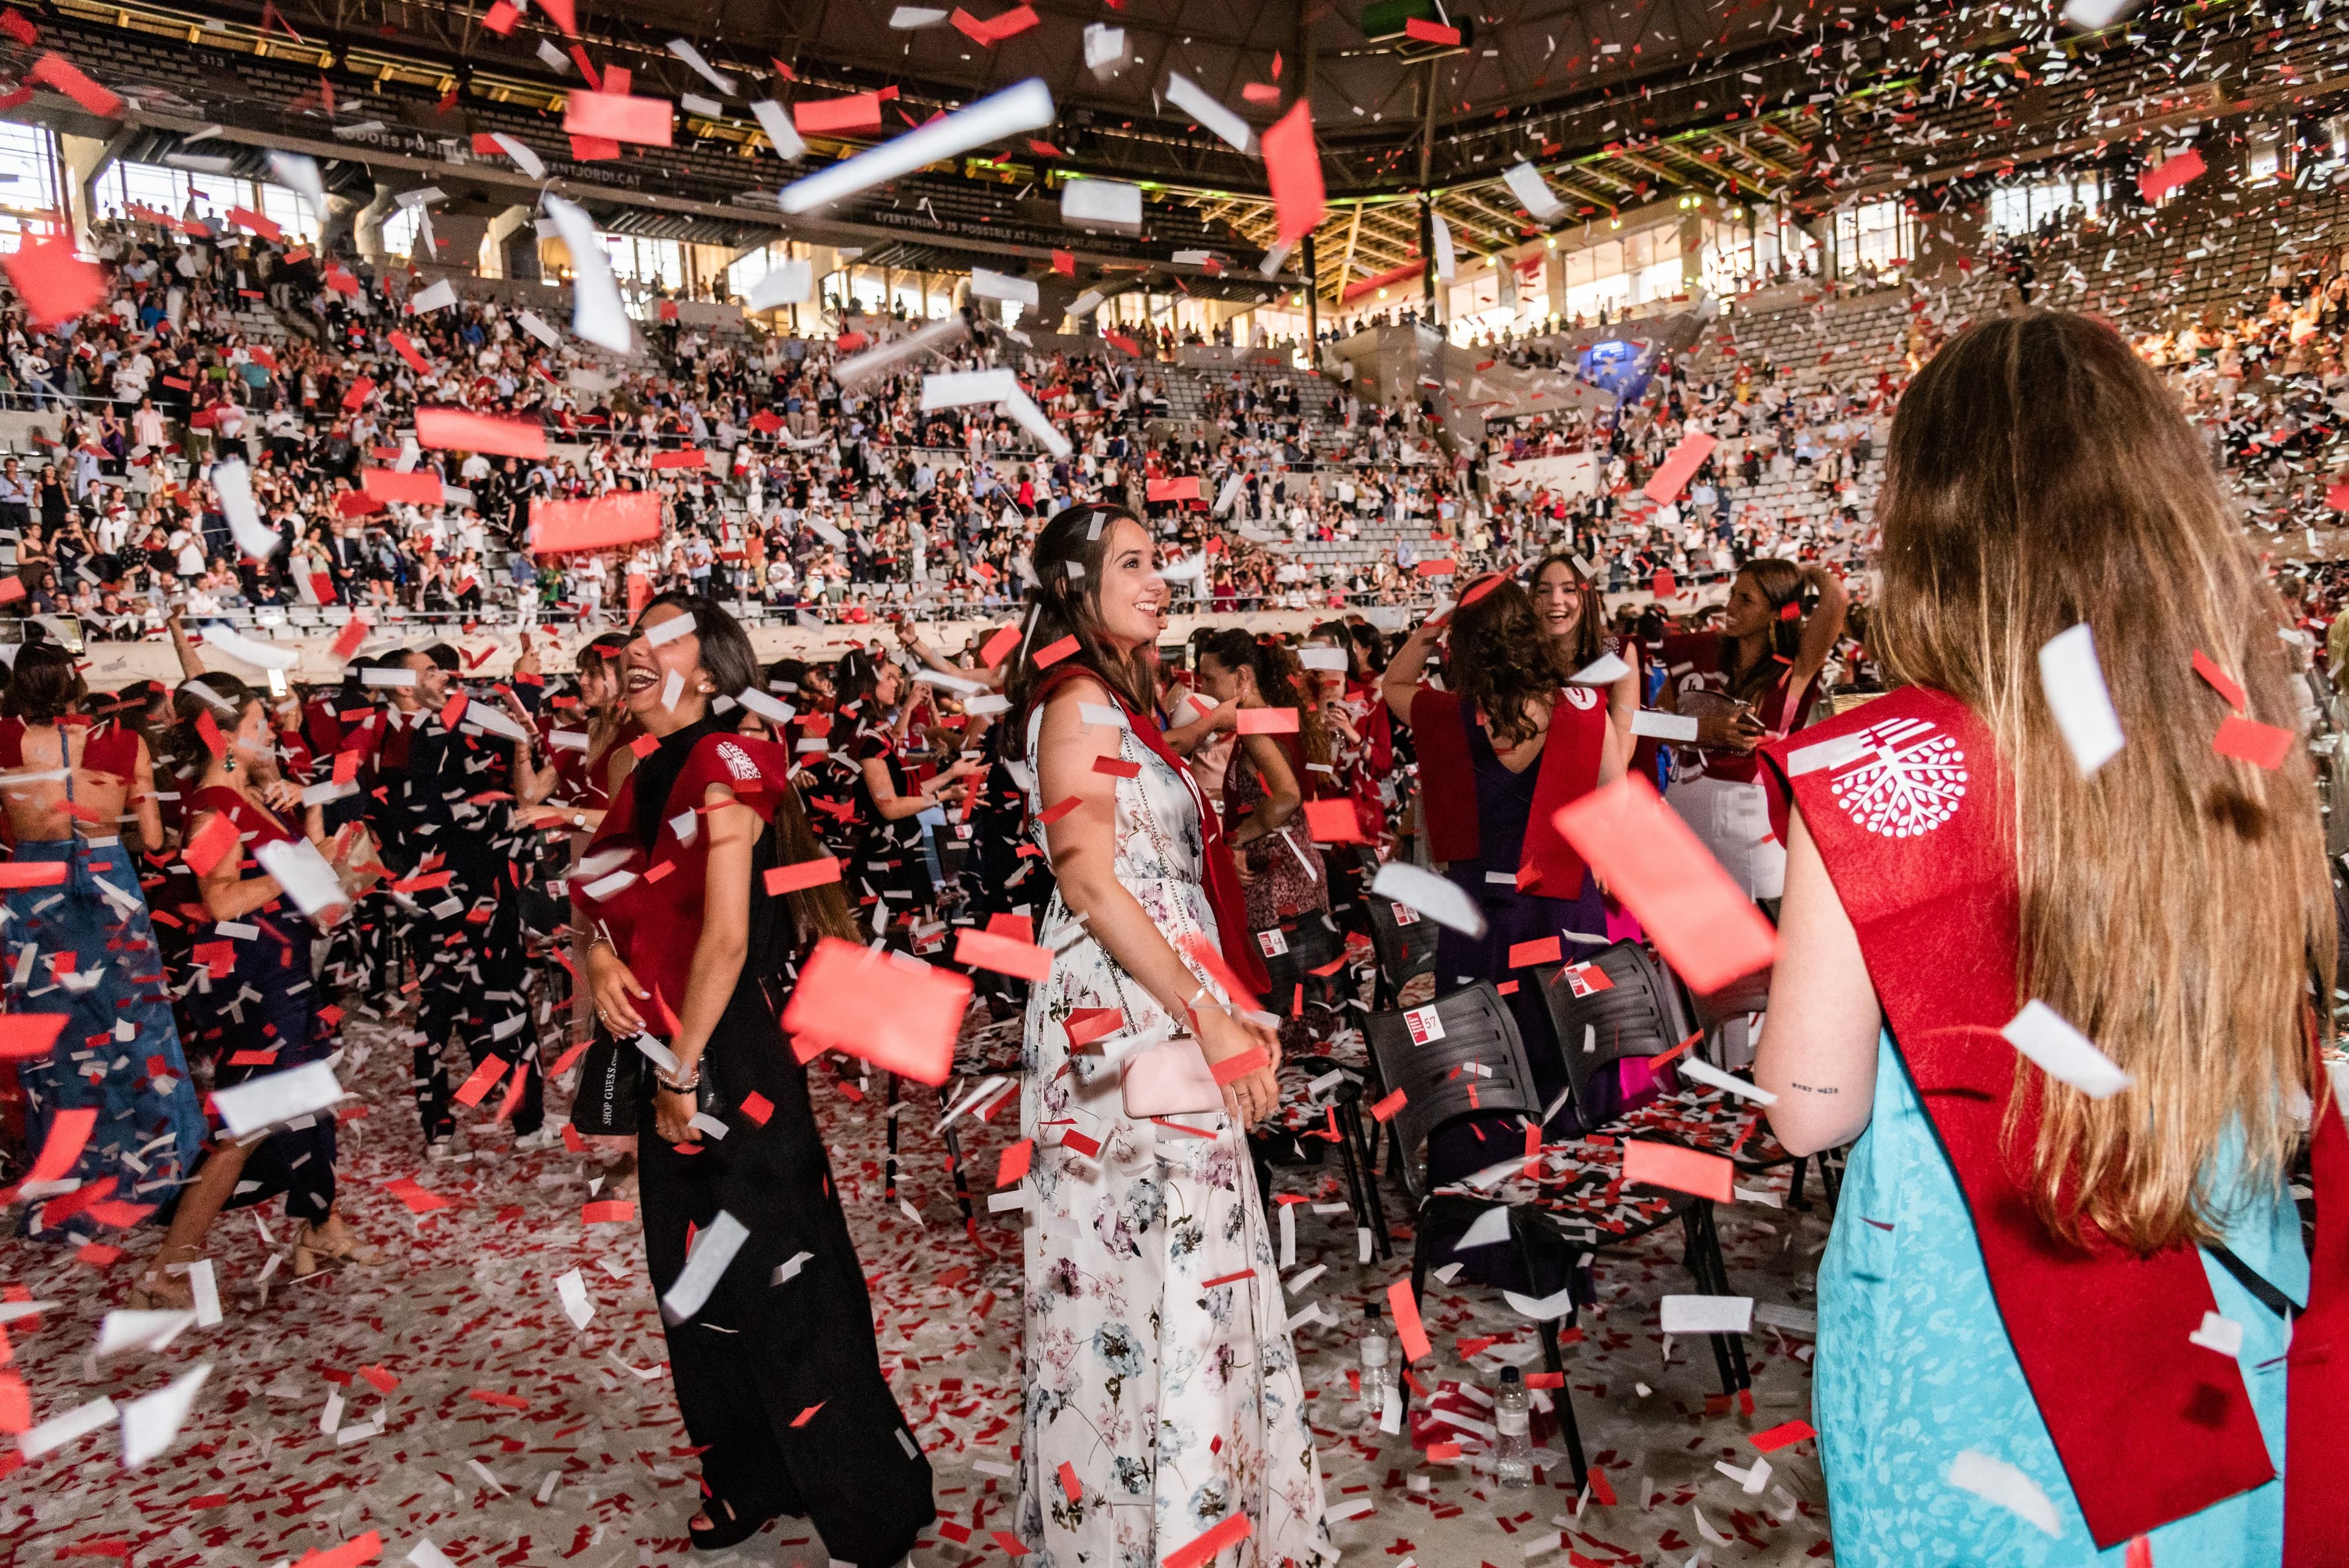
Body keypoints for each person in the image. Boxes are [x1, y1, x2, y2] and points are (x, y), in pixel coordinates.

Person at [1755, 311, 2347, 1564]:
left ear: (1936, 527)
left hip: (1975, 1332)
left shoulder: (1888, 767)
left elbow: (1809, 1109)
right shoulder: (2237, 735)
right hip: (2214, 1293)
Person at [572, 593, 935, 1561]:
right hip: (667, 1047)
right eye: (634, 633)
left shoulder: (732, 759)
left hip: (723, 1048)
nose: (638, 647)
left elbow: (728, 934)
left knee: (788, 1280)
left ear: (716, 667)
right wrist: (601, 963)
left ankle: (866, 1500)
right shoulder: (640, 770)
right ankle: (746, 1475)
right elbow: (599, 899)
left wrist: (686, 1070)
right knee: (689, 1279)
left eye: (667, 634)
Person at [1005, 503, 1330, 1567]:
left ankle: (1197, 1525)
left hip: (1171, 995)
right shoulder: (1074, 705)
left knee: (1195, 1276)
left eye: (1160, 558)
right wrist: (1207, 1013)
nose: (1161, 577)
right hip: (1121, 1026)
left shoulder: (1127, 704)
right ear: (1075, 584)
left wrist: (1228, 1003)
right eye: (1134, 563)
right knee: (1138, 1285)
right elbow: (1089, 877)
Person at [144, 673, 382, 1298]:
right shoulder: (213, 810)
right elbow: (219, 899)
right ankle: (169, 1268)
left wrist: (305, 813)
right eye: (256, 723)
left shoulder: (248, 795)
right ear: (221, 736)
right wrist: (294, 871)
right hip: (247, 978)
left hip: (283, 969)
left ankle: (319, 1228)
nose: (269, 731)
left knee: (308, 1097)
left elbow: (310, 873)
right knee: (243, 1123)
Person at [1382, 576, 1636, 1141]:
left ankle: (1487, 1158)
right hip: (1563, 905)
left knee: (1481, 1040)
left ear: (1465, 642)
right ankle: (1572, 1161)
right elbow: (1617, 801)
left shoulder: (1446, 712)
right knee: (1566, 1036)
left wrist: (1433, 624)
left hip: (1479, 910)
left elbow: (1392, 682)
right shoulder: (1586, 706)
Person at [0, 647, 203, 1261]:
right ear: (77, 683)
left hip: (31, 890)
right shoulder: (121, 742)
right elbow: (150, 837)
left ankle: (68, 1178)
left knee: (55, 1041)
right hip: (108, 878)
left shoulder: (5, 740)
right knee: (134, 1030)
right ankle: (155, 1175)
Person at [1655, 556, 1847, 901]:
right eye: (1733, 595)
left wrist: (1806, 573)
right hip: (1686, 807)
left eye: (1746, 600)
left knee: (1762, 935)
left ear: (1777, 612)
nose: (1731, 607)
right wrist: (1701, 729)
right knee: (1691, 936)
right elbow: (1649, 723)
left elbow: (1836, 600)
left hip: (1754, 820)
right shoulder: (1699, 651)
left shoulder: (1797, 665)